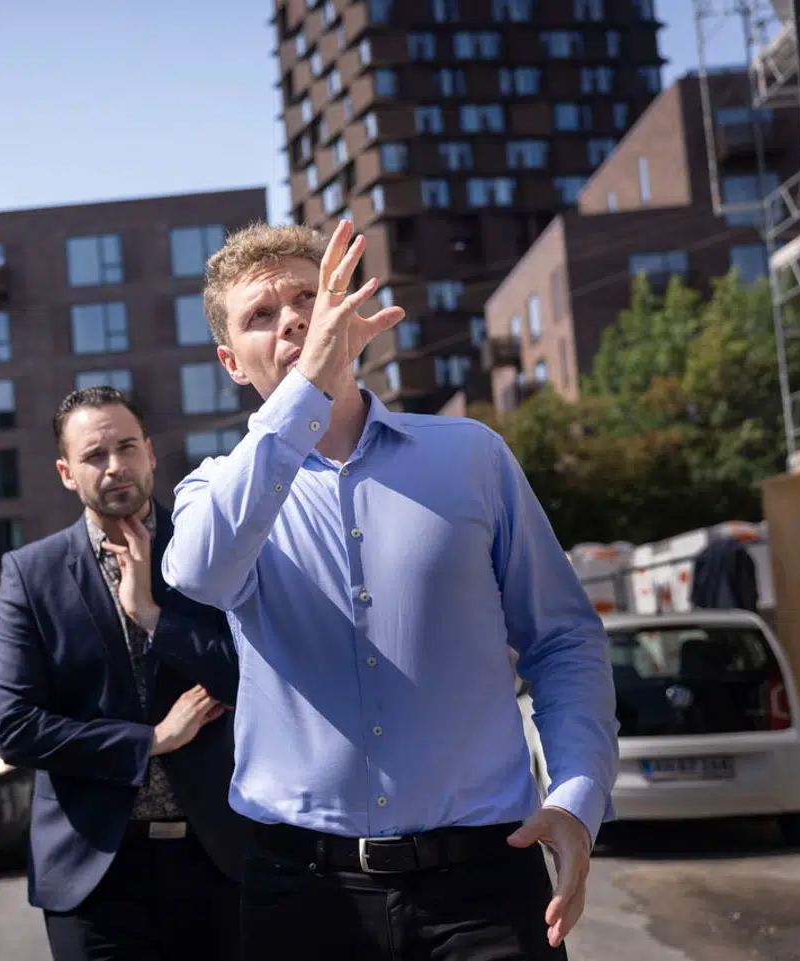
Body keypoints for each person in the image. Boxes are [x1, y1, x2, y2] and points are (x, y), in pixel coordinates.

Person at [161, 221, 620, 960]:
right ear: (230, 362)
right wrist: (306, 389)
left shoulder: (471, 455)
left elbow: (562, 637)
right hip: (302, 896)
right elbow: (200, 574)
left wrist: (576, 794)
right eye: (261, 316)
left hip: (485, 884)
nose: (294, 321)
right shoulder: (214, 488)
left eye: (310, 297)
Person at [0, 386, 247, 961]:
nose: (115, 467)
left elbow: (254, 681)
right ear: (65, 472)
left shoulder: (209, 549)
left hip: (218, 862)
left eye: (126, 447)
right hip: (94, 874)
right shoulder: (32, 575)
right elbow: (15, 727)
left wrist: (153, 617)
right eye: (94, 455)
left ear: (151, 453)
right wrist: (150, 742)